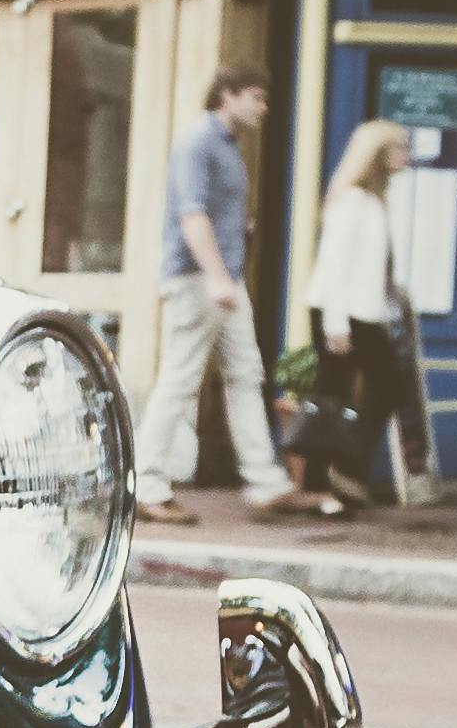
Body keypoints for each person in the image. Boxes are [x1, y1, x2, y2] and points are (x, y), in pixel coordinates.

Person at [141, 56, 340, 522]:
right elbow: (192, 215)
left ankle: (266, 484)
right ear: (227, 94)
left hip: (224, 280)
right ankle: (147, 485)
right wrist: (214, 275)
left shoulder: (227, 146)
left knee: (246, 375)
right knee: (179, 381)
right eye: (256, 96)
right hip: (198, 280)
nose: (263, 107)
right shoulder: (197, 143)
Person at [296, 117, 423, 509]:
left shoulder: (374, 201)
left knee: (347, 392)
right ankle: (335, 475)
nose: (407, 155)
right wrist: (336, 324)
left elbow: (370, 266)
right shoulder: (353, 200)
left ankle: (330, 476)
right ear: (377, 156)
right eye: (399, 147)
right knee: (350, 392)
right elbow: (333, 264)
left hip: (365, 312)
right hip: (343, 313)